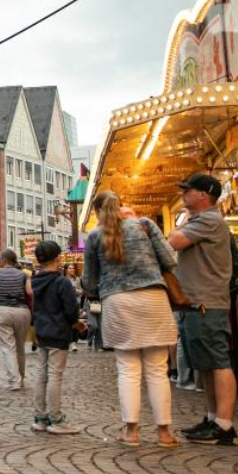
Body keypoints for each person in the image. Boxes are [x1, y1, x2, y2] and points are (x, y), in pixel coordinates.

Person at [82, 191, 180, 447]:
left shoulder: (94, 236)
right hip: (153, 298)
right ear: (123, 206)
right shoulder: (145, 225)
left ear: (97, 213)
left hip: (118, 301)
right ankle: (164, 434)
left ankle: (132, 431)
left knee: (127, 370)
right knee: (158, 369)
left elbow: (89, 282)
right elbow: (170, 260)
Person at [167, 173, 238, 446]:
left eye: (188, 190)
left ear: (203, 195)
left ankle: (224, 424)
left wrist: (179, 226)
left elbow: (172, 242)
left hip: (207, 302)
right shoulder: (202, 220)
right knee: (206, 365)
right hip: (198, 303)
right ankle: (213, 418)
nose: (183, 193)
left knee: (218, 363)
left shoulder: (208, 220)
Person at [29, 241, 84, 435]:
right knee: (55, 376)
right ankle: (56, 418)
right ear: (58, 258)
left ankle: (40, 416)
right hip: (58, 332)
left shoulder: (33, 281)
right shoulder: (62, 282)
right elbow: (71, 310)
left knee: (41, 375)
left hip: (42, 332)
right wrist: (77, 323)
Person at [0, 249, 31, 391]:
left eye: (0, 259)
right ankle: (21, 378)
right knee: (20, 347)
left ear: (4, 260)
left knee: (8, 348)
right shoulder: (24, 275)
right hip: (22, 311)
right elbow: (29, 292)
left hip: (2, 311)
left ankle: (14, 381)